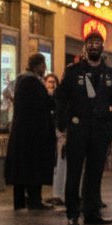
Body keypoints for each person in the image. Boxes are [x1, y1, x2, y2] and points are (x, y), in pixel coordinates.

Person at [54, 32, 112, 225]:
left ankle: (92, 212)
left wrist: (110, 131)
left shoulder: (110, 73)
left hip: (99, 130)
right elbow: (60, 98)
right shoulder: (73, 71)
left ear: (103, 47)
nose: (94, 46)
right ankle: (72, 213)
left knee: (95, 173)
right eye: (90, 43)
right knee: (74, 172)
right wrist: (62, 125)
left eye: (97, 43)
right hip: (78, 128)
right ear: (85, 47)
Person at [5, 52, 57, 211]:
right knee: (33, 167)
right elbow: (44, 103)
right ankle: (35, 200)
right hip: (33, 134)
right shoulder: (31, 82)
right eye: (43, 65)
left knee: (22, 168)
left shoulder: (21, 80)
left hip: (23, 132)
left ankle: (21, 201)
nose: (45, 68)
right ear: (38, 65)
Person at [44, 72, 67, 205]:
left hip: (60, 132)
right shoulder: (59, 95)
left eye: (54, 82)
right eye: (49, 82)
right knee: (60, 163)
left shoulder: (61, 94)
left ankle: (60, 193)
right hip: (58, 133)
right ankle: (58, 193)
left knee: (61, 163)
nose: (52, 85)